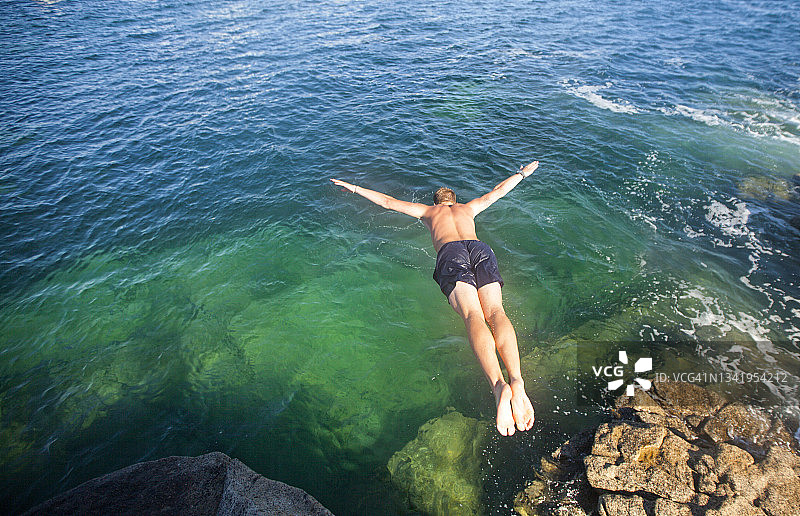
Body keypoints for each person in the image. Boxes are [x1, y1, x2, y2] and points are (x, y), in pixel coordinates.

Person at [330, 161, 539, 436]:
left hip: (451, 254)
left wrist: (355, 188)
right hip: (480, 249)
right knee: (497, 312)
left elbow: (388, 202)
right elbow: (498, 192)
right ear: (454, 201)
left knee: (473, 315)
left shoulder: (428, 212)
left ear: (436, 202)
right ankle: (517, 380)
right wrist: (522, 173)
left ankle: (499, 386)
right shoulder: (469, 208)